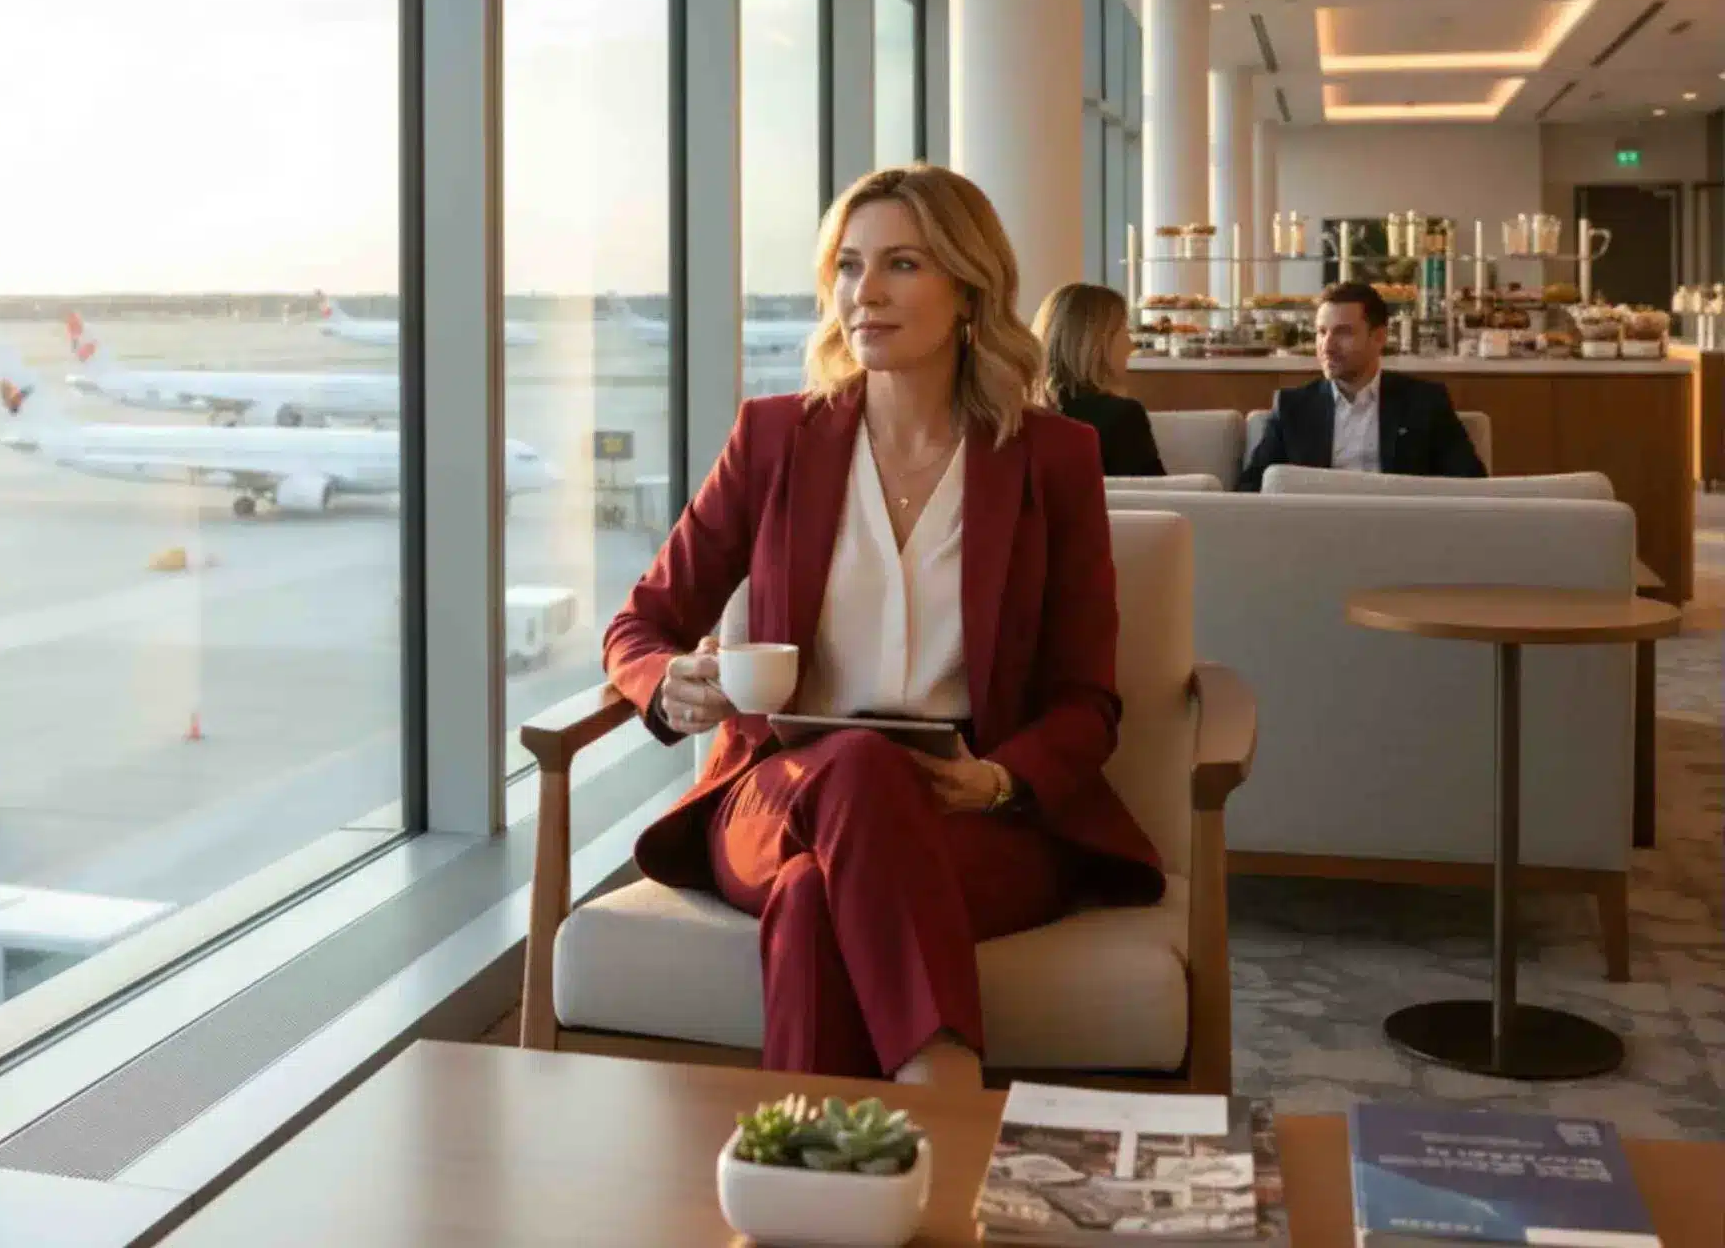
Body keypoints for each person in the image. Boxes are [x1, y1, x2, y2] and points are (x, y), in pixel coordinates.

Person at [601, 165, 1166, 1089]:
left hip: (975, 815)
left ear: (969, 289)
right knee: (858, 766)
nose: (866, 292)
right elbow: (643, 621)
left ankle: (806, 1174)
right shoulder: (774, 438)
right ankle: (942, 1080)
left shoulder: (1053, 459)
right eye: (849, 265)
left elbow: (1086, 698)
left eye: (902, 264)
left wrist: (995, 779)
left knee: (814, 902)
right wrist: (667, 679)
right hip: (776, 796)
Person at [1238, 281, 1486, 491]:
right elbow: (1249, 492)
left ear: (1378, 337)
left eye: (1343, 333)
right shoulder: (1293, 408)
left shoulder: (1424, 403)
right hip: (1317, 536)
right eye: (1322, 332)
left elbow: (1471, 486)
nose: (1327, 346)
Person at [1032, 282, 1165, 476]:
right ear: (1097, 345)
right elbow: (1155, 496)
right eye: (1124, 331)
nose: (1131, 345)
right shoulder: (1123, 417)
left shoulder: (1019, 416)